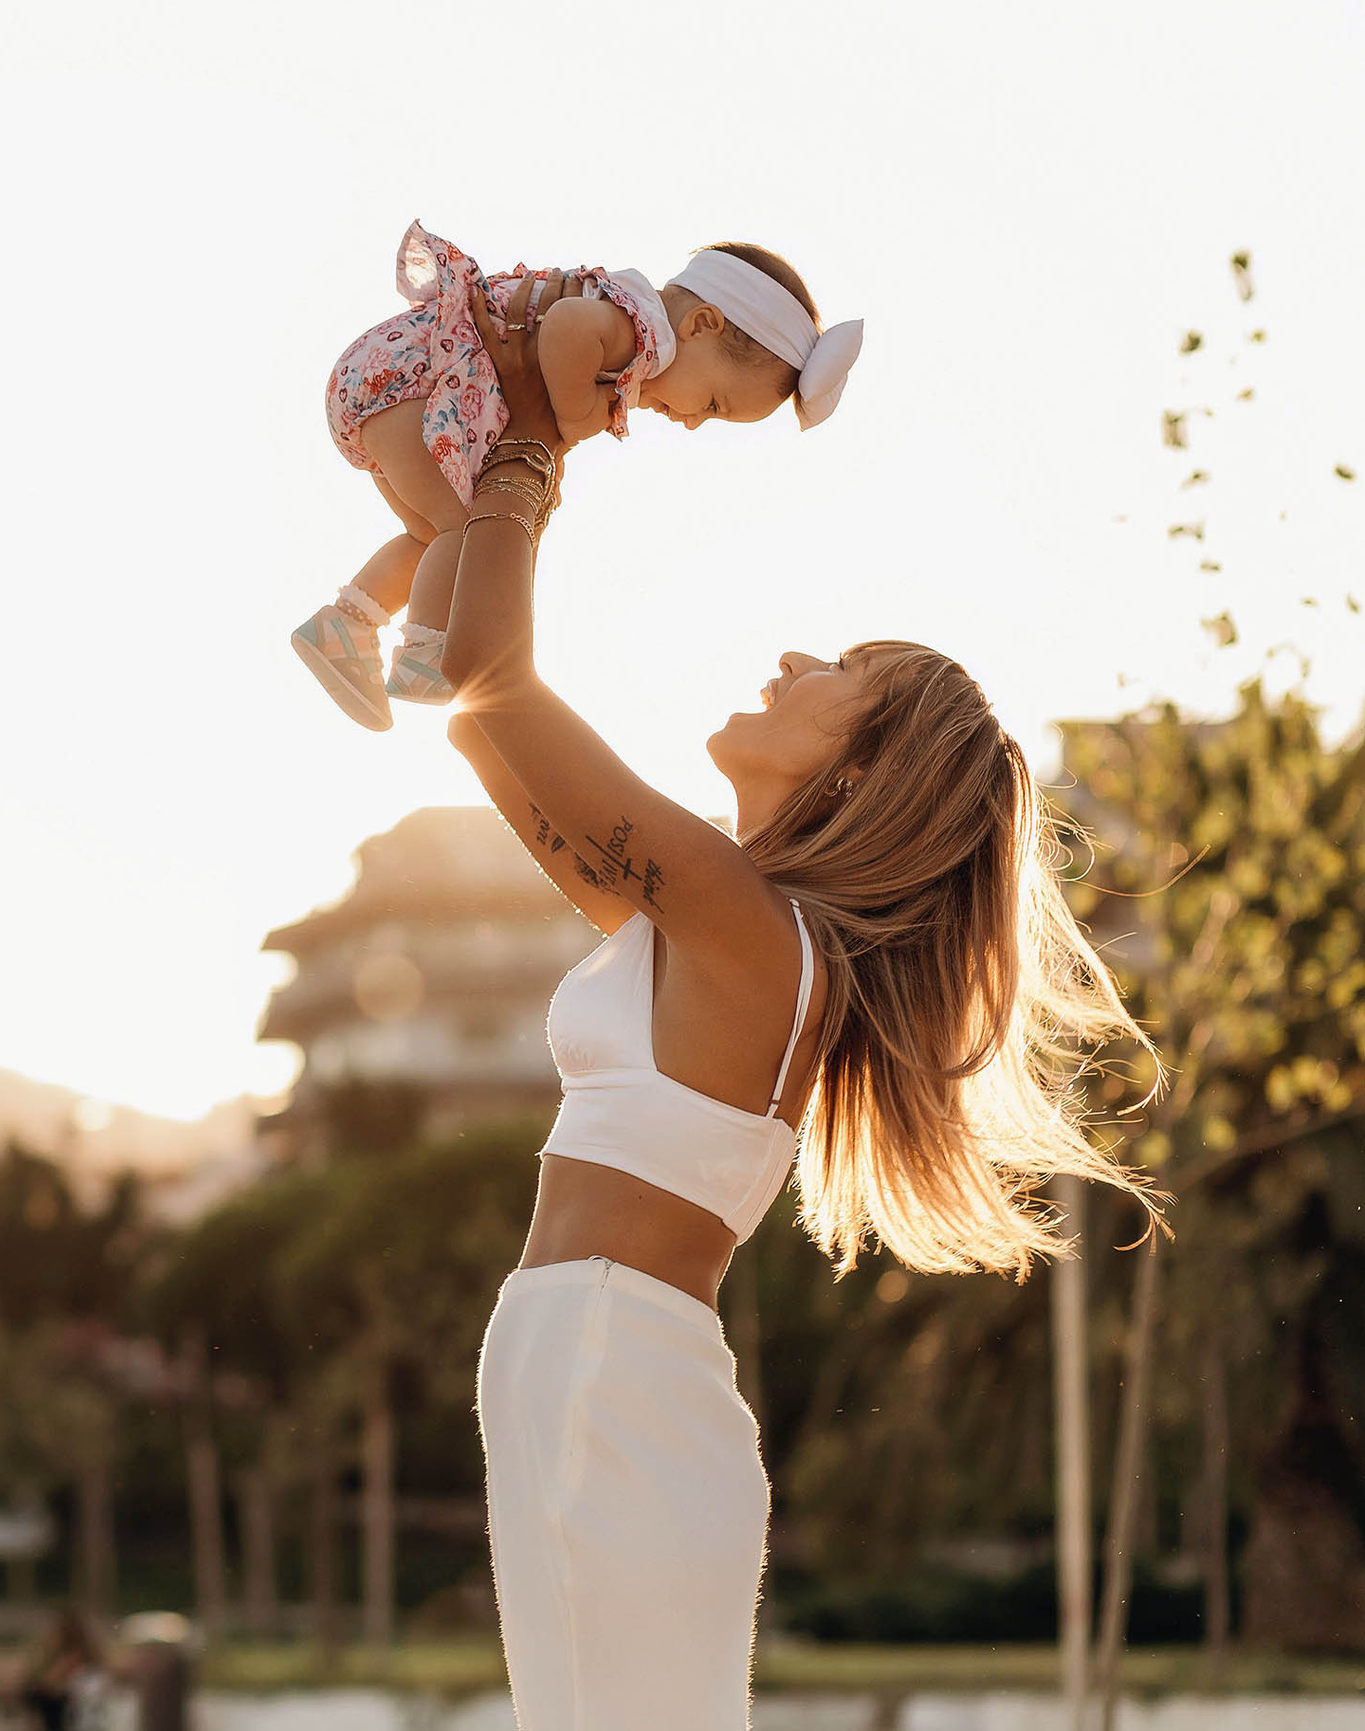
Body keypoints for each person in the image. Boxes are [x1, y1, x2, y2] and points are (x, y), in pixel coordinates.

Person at [436, 293, 1151, 1725]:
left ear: (861, 770)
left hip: (608, 1371)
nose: (789, 663)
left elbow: (485, 683)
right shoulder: (709, 915)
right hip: (586, 1363)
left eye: (837, 674)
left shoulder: (736, 920)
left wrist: (528, 446)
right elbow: (474, 712)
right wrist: (464, 482)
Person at [292, 222, 864, 728]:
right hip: (412, 382)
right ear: (702, 324)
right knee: (462, 529)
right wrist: (572, 421)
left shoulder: (637, 333)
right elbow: (565, 327)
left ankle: (347, 625)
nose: (693, 423)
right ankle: (427, 653)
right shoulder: (643, 330)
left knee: (430, 533)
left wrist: (552, 445)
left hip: (390, 384)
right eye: (713, 404)